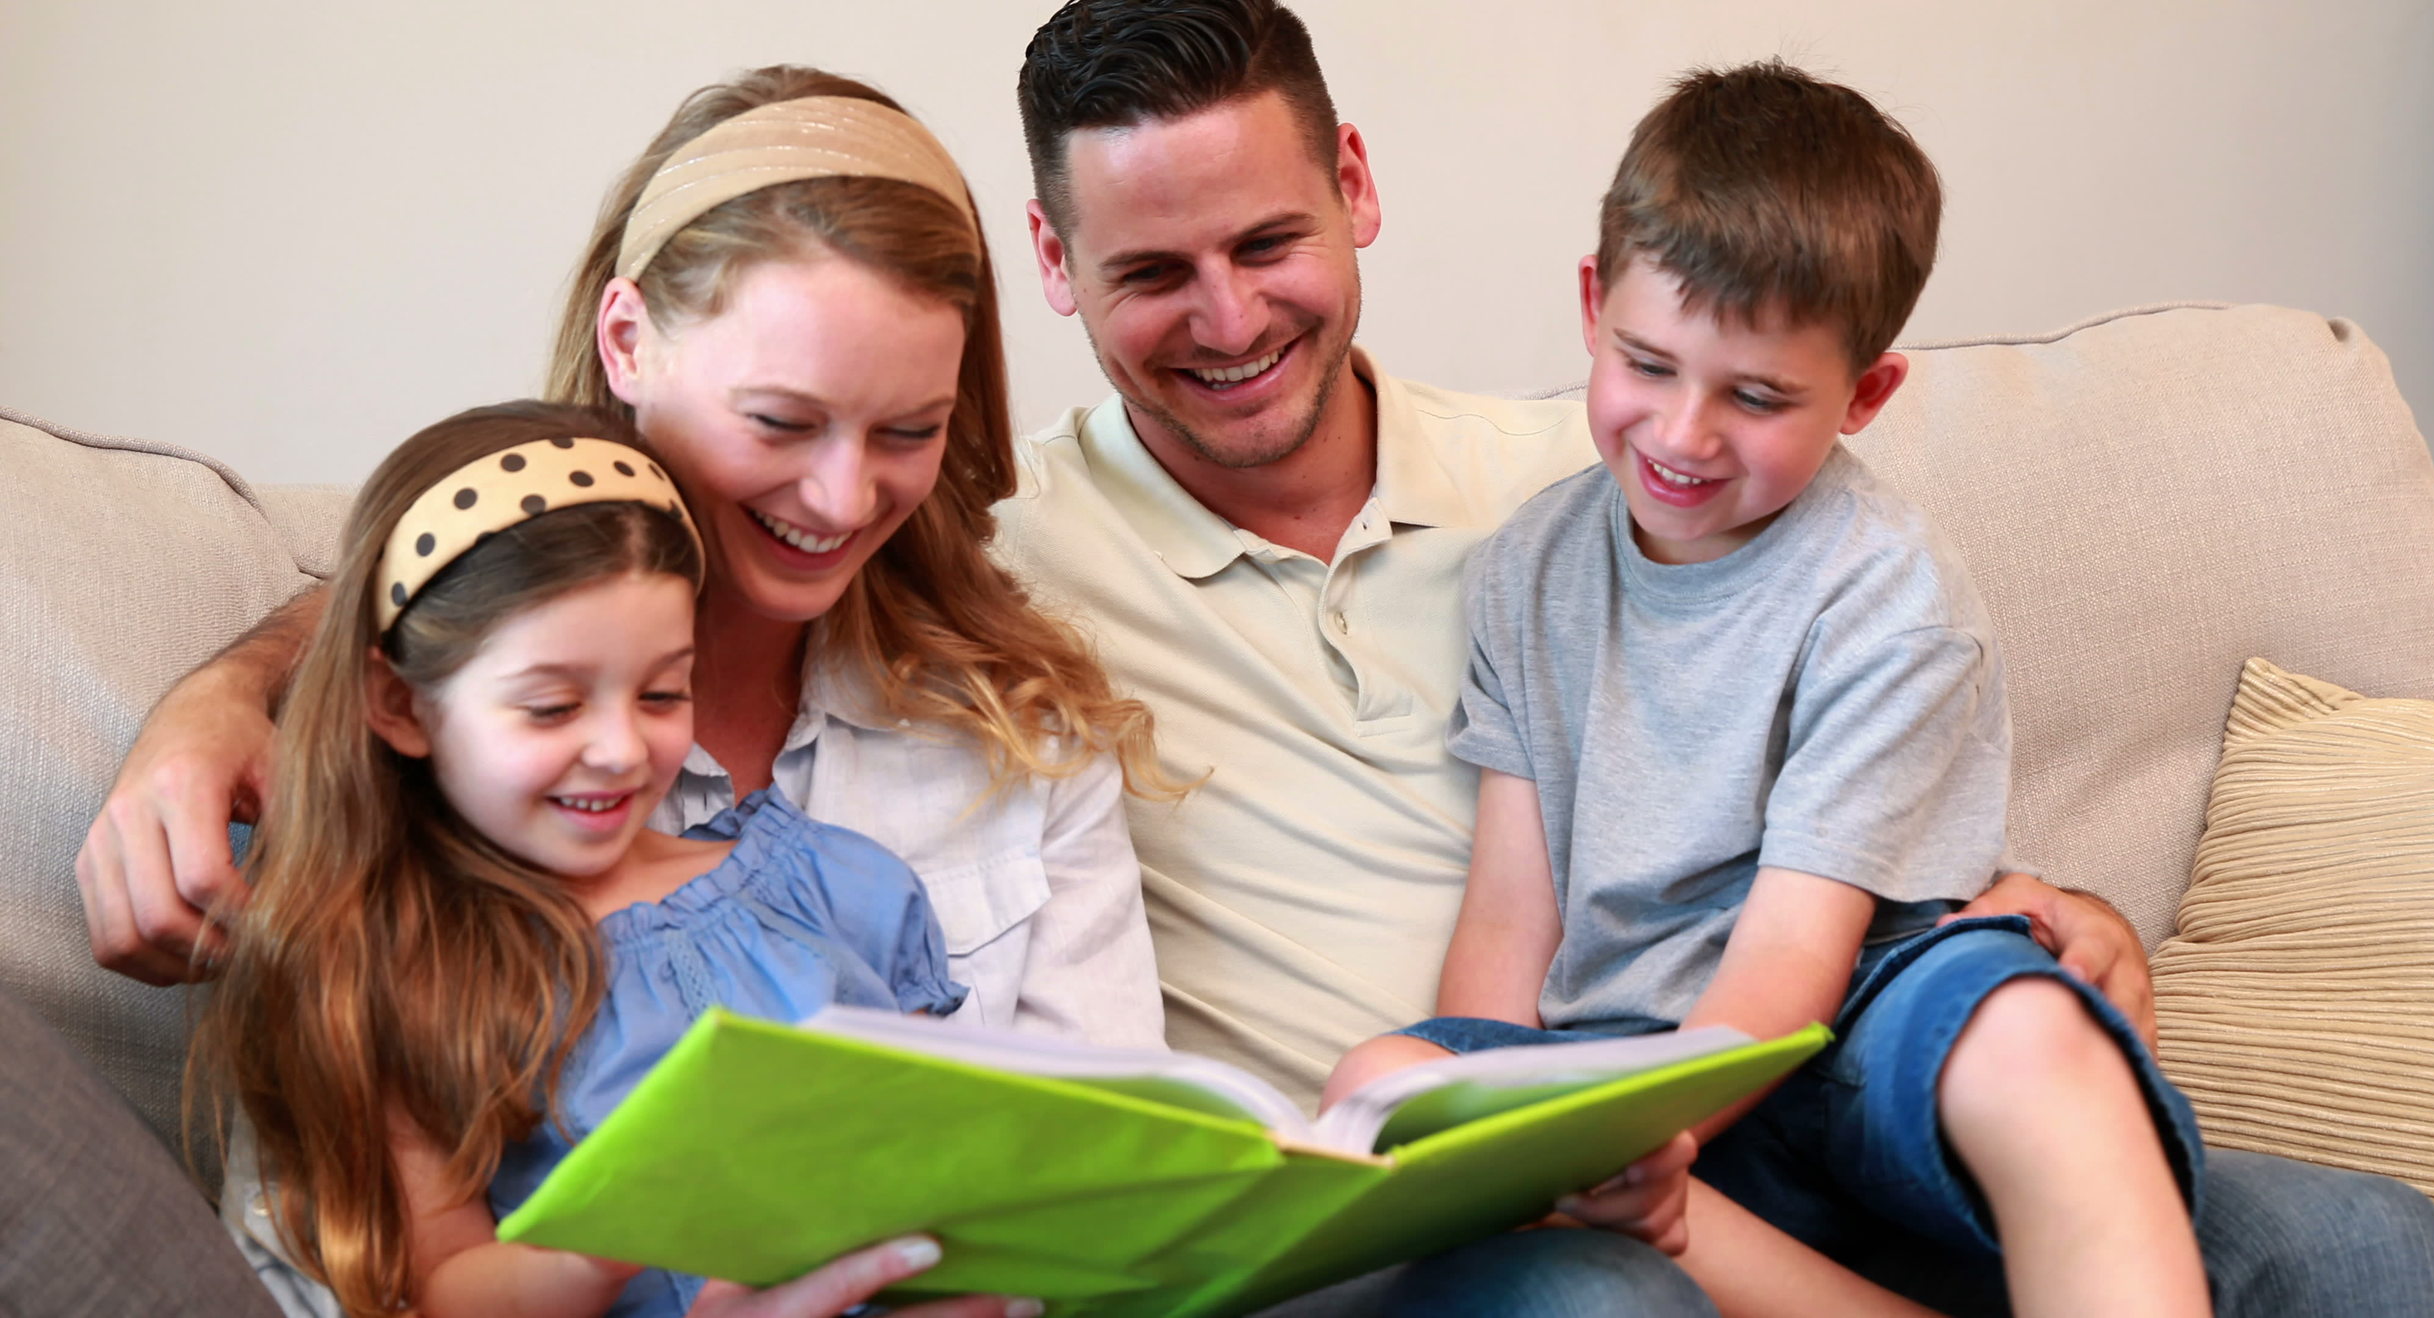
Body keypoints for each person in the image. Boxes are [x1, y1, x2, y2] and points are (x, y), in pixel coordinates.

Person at [66, 64, 1699, 1318]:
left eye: (905, 432)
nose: (843, 498)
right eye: (780, 422)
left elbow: (1101, 1138)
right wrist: (225, 690)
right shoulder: (462, 754)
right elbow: (398, 601)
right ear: (629, 337)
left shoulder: (1015, 707)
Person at [999, 1, 2434, 1314]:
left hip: (1794, 1049)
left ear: (1356, 190)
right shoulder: (989, 580)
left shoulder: (1574, 474)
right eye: (1154, 271)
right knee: (1563, 1258)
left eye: (1266, 243)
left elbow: (1845, 894)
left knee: (2355, 1239)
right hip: (1522, 1137)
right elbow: (1501, 936)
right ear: (1055, 262)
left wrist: (2069, 911)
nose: (1231, 317)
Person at [1329, 63, 2208, 1317]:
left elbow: (1795, 957)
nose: (1684, 436)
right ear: (1591, 305)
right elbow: (1509, 919)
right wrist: (1505, 1106)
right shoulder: (1528, 568)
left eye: (1755, 397)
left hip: (1847, 1038)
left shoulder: (1884, 590)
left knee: (2029, 1032)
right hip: (1618, 1063)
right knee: (1386, 1080)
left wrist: (1637, 1128)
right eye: (1648, 363)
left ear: (1864, 394)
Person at [194, 399, 1001, 1318]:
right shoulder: (398, 972)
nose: (620, 749)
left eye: (663, 692)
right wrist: (613, 1237)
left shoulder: (833, 885)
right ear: (400, 705)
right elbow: (447, 1284)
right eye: (552, 707)